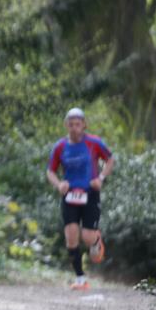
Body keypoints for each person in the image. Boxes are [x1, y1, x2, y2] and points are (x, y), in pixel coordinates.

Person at [46, 108, 115, 290]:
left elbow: (110, 159)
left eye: (78, 124)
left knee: (87, 236)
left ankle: (96, 240)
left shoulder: (94, 143)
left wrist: (100, 178)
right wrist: (59, 184)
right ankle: (80, 278)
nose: (74, 128)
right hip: (70, 195)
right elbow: (50, 171)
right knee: (70, 236)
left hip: (90, 193)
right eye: (71, 124)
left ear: (84, 125)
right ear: (66, 126)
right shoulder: (60, 147)